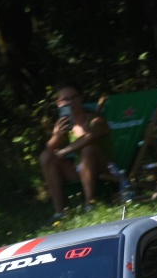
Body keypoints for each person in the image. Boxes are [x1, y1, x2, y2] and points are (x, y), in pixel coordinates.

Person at [39, 83, 112, 223]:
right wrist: (57, 136)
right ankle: (60, 212)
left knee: (88, 149)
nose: (71, 102)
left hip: (105, 168)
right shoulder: (64, 125)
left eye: (74, 97)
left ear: (81, 98)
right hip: (81, 170)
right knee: (46, 156)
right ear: (59, 103)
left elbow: (89, 137)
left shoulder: (96, 120)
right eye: (65, 99)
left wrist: (63, 151)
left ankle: (90, 204)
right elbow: (47, 154)